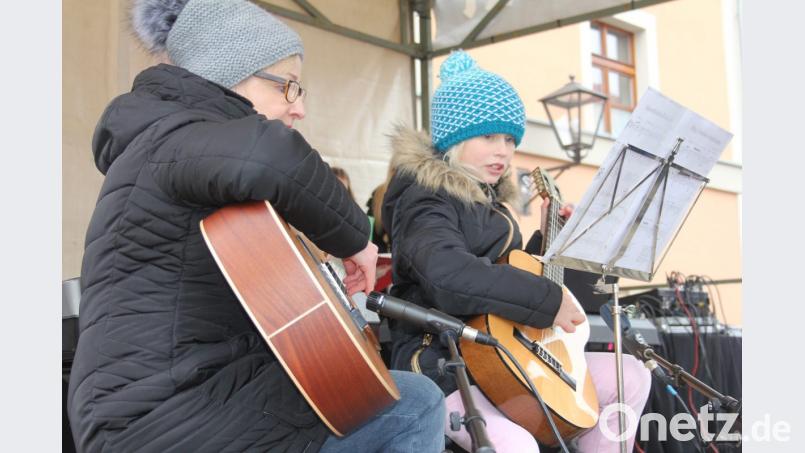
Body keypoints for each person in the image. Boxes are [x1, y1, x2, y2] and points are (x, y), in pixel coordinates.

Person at [67, 1, 445, 452]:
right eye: (289, 87)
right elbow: (272, 155)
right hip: (165, 417)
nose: (299, 107)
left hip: (179, 401)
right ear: (229, 78)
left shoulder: (166, 145)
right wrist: (355, 239)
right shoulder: (174, 138)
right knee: (415, 401)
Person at [381, 50, 652, 452]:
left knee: (628, 374)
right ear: (453, 139)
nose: (504, 150)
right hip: (444, 362)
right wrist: (547, 297)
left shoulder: (492, 206)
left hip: (510, 358)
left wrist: (551, 241)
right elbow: (447, 275)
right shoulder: (424, 197)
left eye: (509, 139)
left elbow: (510, 273)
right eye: (488, 136)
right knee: (514, 445)